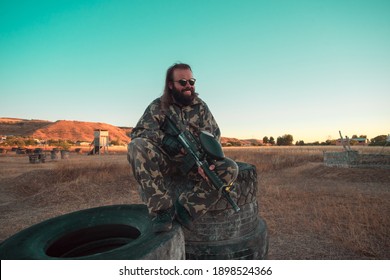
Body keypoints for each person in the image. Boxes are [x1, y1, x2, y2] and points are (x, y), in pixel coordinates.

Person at [127, 63, 238, 233]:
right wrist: (167, 142)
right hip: (165, 161)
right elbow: (140, 133)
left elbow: (213, 136)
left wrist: (209, 163)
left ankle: (185, 209)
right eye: (183, 82)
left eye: (191, 82)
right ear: (170, 85)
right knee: (137, 146)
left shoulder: (201, 107)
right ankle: (162, 210)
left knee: (230, 168)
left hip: (194, 164)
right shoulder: (158, 106)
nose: (188, 86)